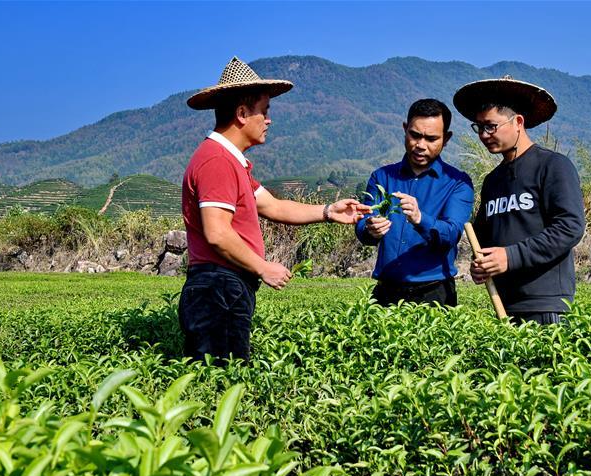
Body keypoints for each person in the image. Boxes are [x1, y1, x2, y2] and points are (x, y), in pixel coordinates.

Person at [180, 56, 369, 362]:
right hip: (218, 287)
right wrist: (263, 267)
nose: (268, 120)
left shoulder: (232, 163)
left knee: (225, 374)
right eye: (264, 112)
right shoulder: (216, 161)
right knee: (221, 379)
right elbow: (217, 233)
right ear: (242, 114)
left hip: (226, 286)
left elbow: (274, 206)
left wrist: (328, 211)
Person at [452, 76, 586, 324]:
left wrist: (510, 257)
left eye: (491, 126)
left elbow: (570, 227)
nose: (483, 135)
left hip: (545, 305)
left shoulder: (553, 166)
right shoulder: (493, 180)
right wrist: (481, 263)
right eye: (479, 127)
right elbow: (484, 237)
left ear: (518, 122)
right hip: (503, 304)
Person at [355, 99, 474, 307]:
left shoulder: (458, 183)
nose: (420, 145)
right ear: (405, 129)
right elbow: (363, 222)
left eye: (431, 139)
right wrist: (369, 228)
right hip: (386, 291)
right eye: (415, 135)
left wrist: (420, 219)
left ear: (446, 139)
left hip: (434, 294)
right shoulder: (382, 177)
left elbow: (452, 233)